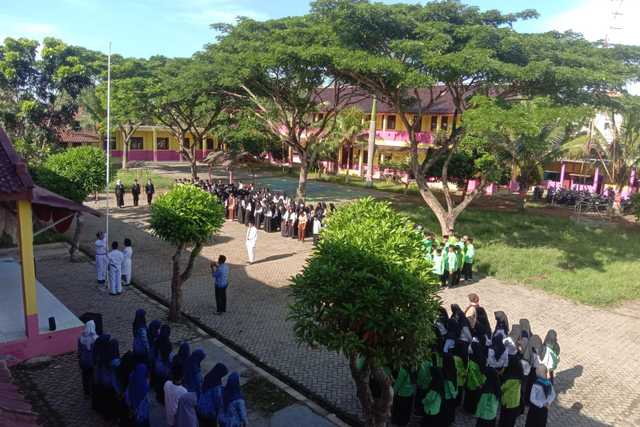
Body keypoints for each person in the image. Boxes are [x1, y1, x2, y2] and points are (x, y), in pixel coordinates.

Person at [499, 355, 525, 427]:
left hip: (506, 401)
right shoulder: (520, 377)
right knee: (511, 419)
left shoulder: (508, 379)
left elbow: (502, 389)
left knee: (504, 416)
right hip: (515, 402)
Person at [77, 320, 98, 396]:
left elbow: (79, 351)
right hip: (92, 361)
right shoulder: (96, 339)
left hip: (83, 361)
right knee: (93, 376)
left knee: (85, 376)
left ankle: (86, 392)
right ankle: (93, 391)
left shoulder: (80, 338)